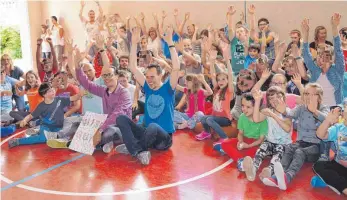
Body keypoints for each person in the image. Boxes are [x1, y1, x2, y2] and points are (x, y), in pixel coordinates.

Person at [114, 25, 179, 165]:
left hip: (163, 140)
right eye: (147, 77)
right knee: (121, 119)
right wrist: (134, 43)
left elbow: (176, 68)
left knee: (153, 126)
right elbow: (133, 67)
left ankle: (135, 148)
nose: (149, 80)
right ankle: (139, 150)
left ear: (160, 75)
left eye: (152, 77)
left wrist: (171, 44)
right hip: (147, 134)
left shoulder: (168, 88)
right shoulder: (147, 87)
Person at [262, 83, 329, 190]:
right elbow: (290, 114)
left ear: (319, 97)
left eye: (312, 94)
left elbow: (328, 120)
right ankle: (277, 177)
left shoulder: (324, 108)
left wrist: (315, 111)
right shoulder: (301, 107)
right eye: (306, 93)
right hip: (301, 142)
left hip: (316, 147)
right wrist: (283, 110)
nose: (308, 96)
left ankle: (288, 177)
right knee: (289, 148)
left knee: (299, 152)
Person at [8, 83, 81, 148]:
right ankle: (18, 141)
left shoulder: (60, 99)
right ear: (44, 95)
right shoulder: (41, 106)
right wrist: (24, 120)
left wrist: (82, 93)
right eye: (49, 91)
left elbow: (74, 97)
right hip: (46, 127)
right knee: (43, 138)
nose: (53, 91)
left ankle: (38, 131)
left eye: (52, 89)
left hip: (59, 127)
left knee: (70, 127)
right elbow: (30, 116)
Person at [243, 87, 292, 181]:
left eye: (278, 96)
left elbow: (287, 128)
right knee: (261, 150)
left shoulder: (287, 111)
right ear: (269, 101)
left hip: (284, 145)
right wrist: (257, 101)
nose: (275, 100)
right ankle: (253, 169)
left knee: (277, 157)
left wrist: (273, 115)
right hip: (269, 142)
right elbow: (256, 119)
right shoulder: (268, 110)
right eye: (271, 98)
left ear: (283, 98)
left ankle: (268, 171)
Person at [302, 14, 345, 107]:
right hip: (316, 111)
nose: (320, 59)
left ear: (331, 59)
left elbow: (338, 50)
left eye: (324, 56)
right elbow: (306, 54)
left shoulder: (338, 70)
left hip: (335, 110)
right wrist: (306, 33)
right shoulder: (315, 69)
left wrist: (334, 27)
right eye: (318, 56)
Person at [195, 49, 234, 143]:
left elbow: (230, 74)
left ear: (228, 80)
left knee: (209, 119)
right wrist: (212, 61)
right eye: (219, 80)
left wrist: (227, 61)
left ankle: (224, 137)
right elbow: (213, 75)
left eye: (224, 79)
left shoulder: (229, 91)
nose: (221, 82)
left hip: (225, 119)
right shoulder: (217, 90)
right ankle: (207, 132)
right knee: (203, 118)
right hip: (216, 117)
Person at [313, 106, 347, 196]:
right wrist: (327, 121)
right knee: (319, 165)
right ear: (343, 114)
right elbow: (321, 135)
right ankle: (343, 188)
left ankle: (333, 183)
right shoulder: (338, 128)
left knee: (321, 178)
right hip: (339, 165)